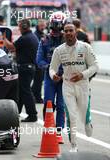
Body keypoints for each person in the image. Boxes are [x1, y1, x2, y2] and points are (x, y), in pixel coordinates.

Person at [49, 23, 99, 152]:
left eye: (71, 30)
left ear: (75, 32)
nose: (68, 33)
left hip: (82, 84)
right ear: (63, 33)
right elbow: (52, 68)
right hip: (67, 85)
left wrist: (82, 75)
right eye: (66, 31)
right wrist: (53, 75)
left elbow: (95, 66)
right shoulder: (59, 50)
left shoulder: (85, 47)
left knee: (83, 114)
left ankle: (88, 120)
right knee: (71, 115)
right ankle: (74, 145)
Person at [36, 11, 66, 142]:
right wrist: (51, 70)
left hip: (64, 78)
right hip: (49, 77)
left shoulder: (69, 40)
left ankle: (59, 132)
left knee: (61, 105)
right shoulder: (44, 40)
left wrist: (63, 73)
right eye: (54, 24)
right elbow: (39, 60)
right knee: (49, 103)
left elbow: (74, 59)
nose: (56, 28)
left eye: (58, 25)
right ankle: (48, 128)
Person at [3, 18, 38, 122]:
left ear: (23, 27)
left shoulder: (25, 38)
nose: (18, 28)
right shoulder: (32, 36)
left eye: (19, 26)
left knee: (26, 91)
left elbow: (11, 47)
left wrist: (4, 38)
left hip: (25, 68)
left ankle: (32, 114)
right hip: (29, 67)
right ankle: (16, 112)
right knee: (22, 91)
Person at [32, 19, 46, 104]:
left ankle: (36, 96)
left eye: (43, 26)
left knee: (39, 81)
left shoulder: (43, 34)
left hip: (42, 60)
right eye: (41, 26)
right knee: (38, 80)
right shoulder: (36, 35)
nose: (43, 27)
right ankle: (36, 97)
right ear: (38, 25)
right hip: (37, 60)